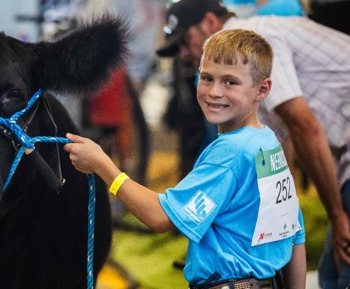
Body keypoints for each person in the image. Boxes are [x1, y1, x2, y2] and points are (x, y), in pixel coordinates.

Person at [65, 28, 306, 289]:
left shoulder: (230, 153)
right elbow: (294, 234)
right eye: (207, 78)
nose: (214, 91)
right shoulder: (269, 144)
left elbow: (160, 217)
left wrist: (104, 167)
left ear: (262, 89)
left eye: (230, 82)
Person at [155, 0, 350, 288]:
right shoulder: (258, 133)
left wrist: (337, 215)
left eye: (185, 40)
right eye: (207, 78)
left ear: (210, 22)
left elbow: (305, 127)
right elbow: (284, 162)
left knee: (340, 270)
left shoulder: (254, 46)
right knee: (332, 275)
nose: (184, 54)